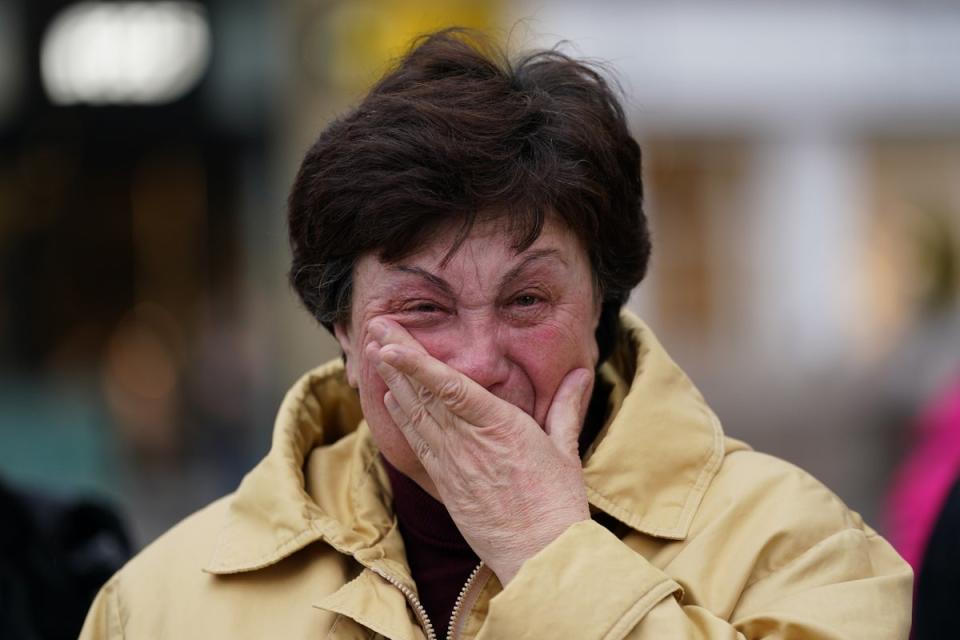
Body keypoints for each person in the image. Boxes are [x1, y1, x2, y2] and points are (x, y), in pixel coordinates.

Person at [80, 28, 912, 639]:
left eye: (526, 302)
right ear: (339, 325)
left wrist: (552, 555)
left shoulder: (801, 546)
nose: (478, 365)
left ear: (603, 306)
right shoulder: (159, 604)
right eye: (423, 309)